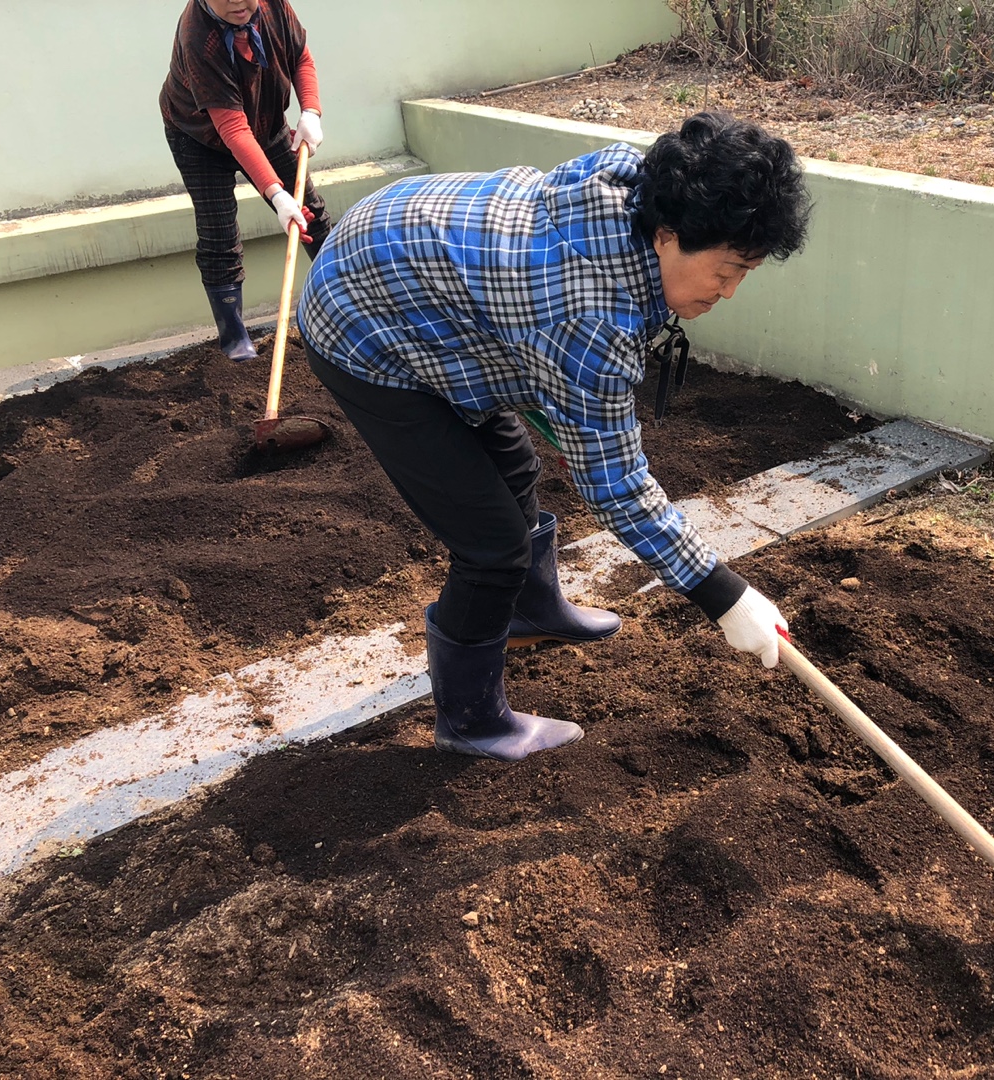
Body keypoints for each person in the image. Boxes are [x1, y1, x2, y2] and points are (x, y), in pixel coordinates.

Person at [296, 112, 811, 762]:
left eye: (746, 273)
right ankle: (471, 722)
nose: (730, 292)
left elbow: (566, 378)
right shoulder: (587, 318)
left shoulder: (638, 188)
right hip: (362, 324)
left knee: (514, 469)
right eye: (727, 269)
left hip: (421, 277)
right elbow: (616, 487)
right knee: (491, 545)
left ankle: (529, 612)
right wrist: (725, 596)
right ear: (668, 235)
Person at [160, 0, 331, 361]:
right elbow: (232, 129)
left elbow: (300, 57)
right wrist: (277, 195)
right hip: (201, 139)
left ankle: (348, 302)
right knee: (219, 233)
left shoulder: (274, 6)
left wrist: (311, 110)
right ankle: (235, 340)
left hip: (265, 124)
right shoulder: (198, 36)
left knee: (311, 213)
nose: (238, 2)